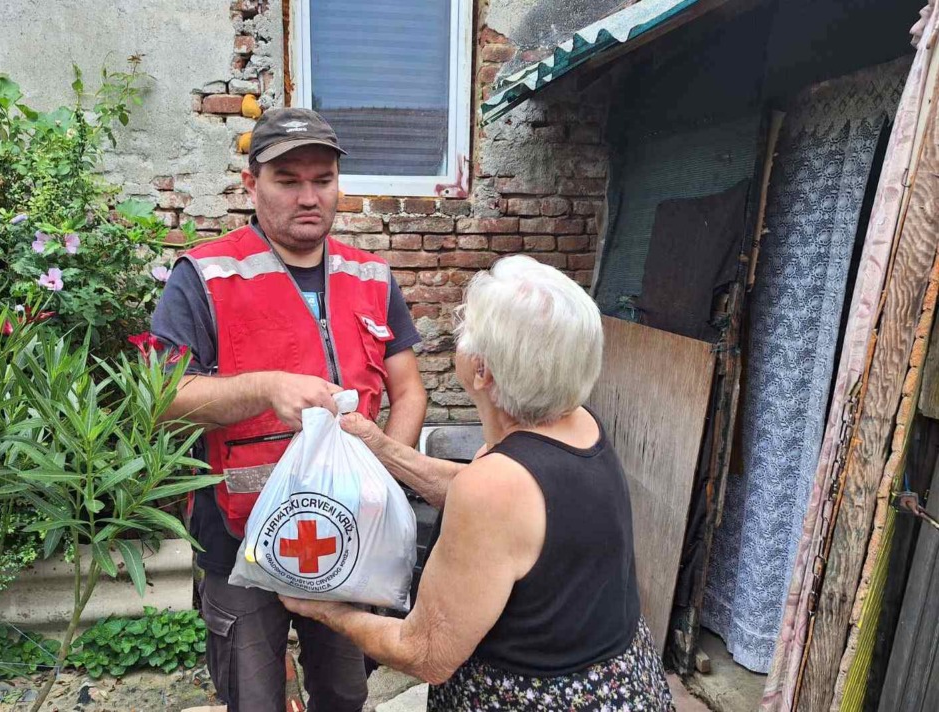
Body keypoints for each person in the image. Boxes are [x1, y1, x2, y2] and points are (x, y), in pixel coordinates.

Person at [281, 255, 674, 711]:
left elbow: (424, 652)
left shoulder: (495, 488)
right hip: (621, 682)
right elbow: (491, 495)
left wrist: (323, 609)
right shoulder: (576, 423)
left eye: (466, 325)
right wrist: (381, 446)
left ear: (482, 371)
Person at [151, 107, 427, 712]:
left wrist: (384, 473)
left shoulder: (372, 276)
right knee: (253, 698)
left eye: (322, 180)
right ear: (251, 185)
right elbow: (164, 401)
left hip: (349, 539)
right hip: (238, 537)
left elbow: (408, 391)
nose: (310, 197)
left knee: (344, 692)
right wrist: (263, 388)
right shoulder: (203, 275)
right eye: (288, 180)